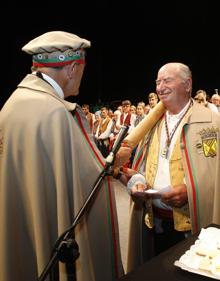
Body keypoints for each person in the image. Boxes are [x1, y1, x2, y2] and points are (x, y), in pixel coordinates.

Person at [0, 31, 130, 281]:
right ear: (71, 68)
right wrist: (114, 163)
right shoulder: (56, 113)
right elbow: (86, 185)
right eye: (82, 68)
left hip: (22, 229)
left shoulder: (11, 105)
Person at [119, 62, 220, 273]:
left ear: (187, 84)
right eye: (157, 82)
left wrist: (189, 189)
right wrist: (137, 181)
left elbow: (213, 170)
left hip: (190, 227)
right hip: (154, 222)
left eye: (167, 80)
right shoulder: (152, 122)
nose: (160, 87)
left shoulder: (209, 121)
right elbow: (142, 167)